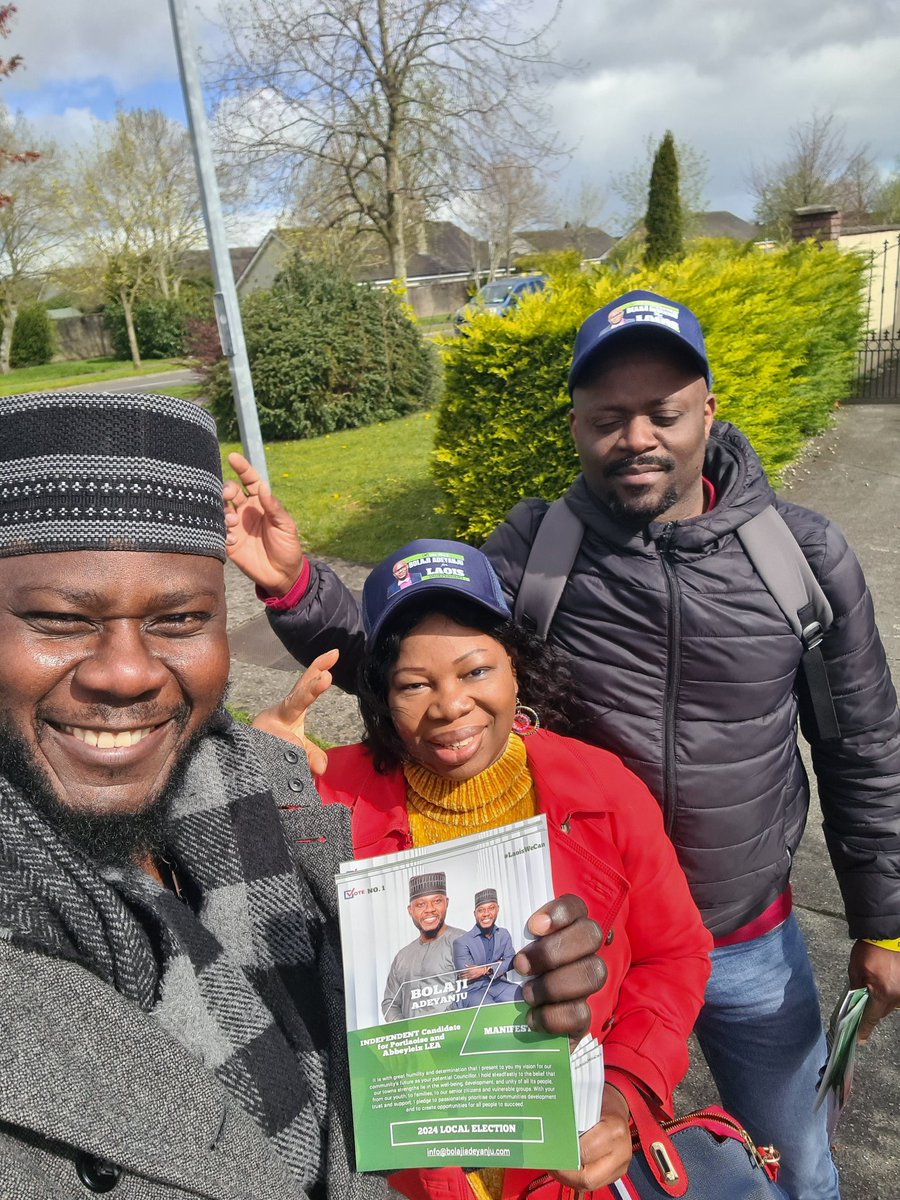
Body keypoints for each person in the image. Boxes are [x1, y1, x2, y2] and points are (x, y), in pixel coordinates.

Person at [224, 288, 900, 1200]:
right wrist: (300, 586)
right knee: (592, 1159)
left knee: (801, 1160)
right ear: (577, 426)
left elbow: (863, 742)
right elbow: (428, 658)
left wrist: (884, 920)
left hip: (748, 936)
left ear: (709, 409)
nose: (637, 437)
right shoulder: (539, 549)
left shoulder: (802, 556)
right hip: (591, 939)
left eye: (663, 412)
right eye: (607, 418)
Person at [0, 392, 608, 1200]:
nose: (128, 671)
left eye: (180, 619)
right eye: (57, 619)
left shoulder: (264, 805)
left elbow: (380, 1077)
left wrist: (520, 1054)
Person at [259, 538, 713, 1200]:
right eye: (415, 684)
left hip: (570, 1168)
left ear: (516, 669)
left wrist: (622, 1096)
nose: (450, 706)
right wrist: (246, 776)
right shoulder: (329, 794)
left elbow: (675, 957)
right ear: (383, 697)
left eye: (475, 671)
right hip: (403, 1178)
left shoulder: (603, 791)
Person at [382, 872, 466, 1021]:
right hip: (414, 1041)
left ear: (446, 903)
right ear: (410, 910)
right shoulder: (402, 957)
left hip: (456, 1038)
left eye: (437, 901)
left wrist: (444, 1028)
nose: (429, 909)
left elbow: (476, 991)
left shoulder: (463, 942)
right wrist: (407, 1032)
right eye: (421, 904)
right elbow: (390, 1003)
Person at [453, 889, 523, 1008]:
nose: (486, 914)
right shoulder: (461, 942)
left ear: (497, 909)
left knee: (522, 997)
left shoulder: (503, 934)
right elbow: (467, 973)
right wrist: (499, 965)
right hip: (473, 990)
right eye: (481, 910)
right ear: (475, 914)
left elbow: (511, 961)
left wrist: (485, 970)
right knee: (490, 1010)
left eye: (491, 908)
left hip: (499, 985)